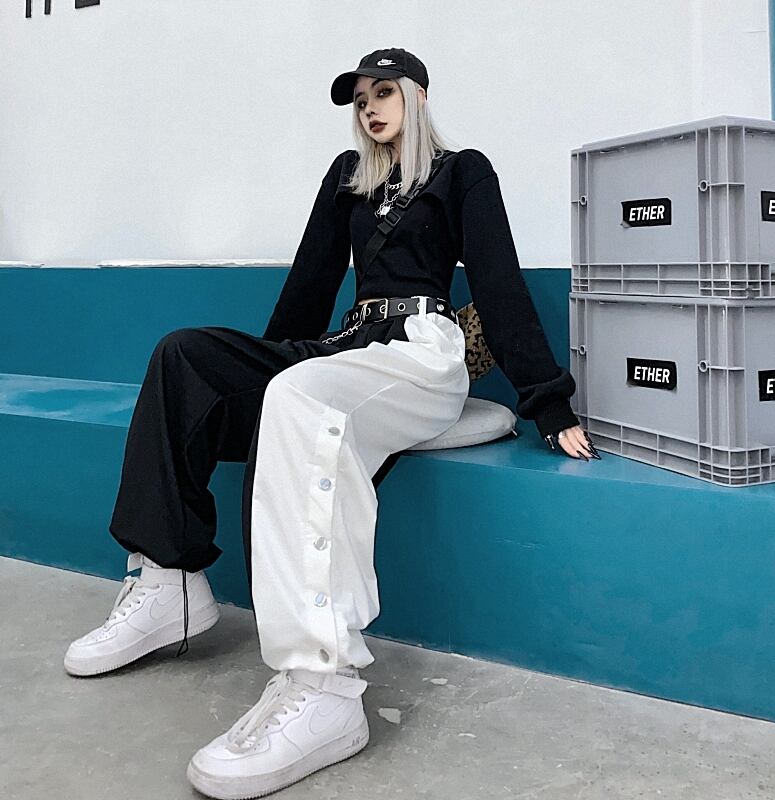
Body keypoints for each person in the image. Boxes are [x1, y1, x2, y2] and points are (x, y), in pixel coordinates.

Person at [63, 47, 599, 798]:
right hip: (347, 344)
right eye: (360, 99)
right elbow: (310, 285)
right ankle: (169, 581)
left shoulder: (463, 171)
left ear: (416, 97)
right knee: (186, 357)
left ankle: (325, 683)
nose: (370, 108)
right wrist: (254, 376)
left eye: (384, 92)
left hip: (420, 351)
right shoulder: (348, 178)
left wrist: (547, 400)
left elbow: (500, 282)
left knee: (301, 396)